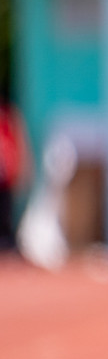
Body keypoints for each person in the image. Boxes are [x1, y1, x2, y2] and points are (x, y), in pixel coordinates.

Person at [0, 88, 33, 255]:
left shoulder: (9, 117)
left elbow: (18, 145)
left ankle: (7, 241)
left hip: (6, 176)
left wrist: (23, 171)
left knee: (6, 209)